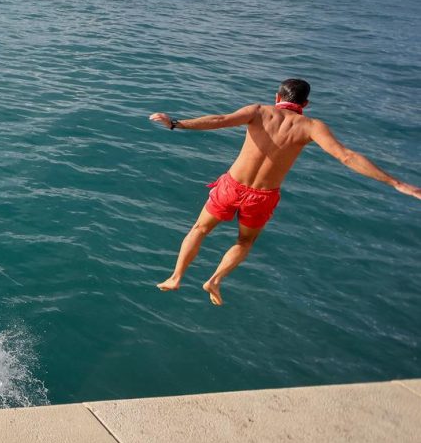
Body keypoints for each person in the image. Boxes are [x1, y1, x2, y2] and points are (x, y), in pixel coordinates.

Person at [150, 78, 421, 306]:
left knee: (199, 229)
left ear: (277, 96)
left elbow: (220, 120)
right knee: (245, 242)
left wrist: (176, 123)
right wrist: (396, 183)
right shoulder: (312, 126)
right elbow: (347, 157)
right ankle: (215, 280)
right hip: (263, 196)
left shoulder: (258, 111)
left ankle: (176, 277)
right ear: (305, 105)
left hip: (231, 186)